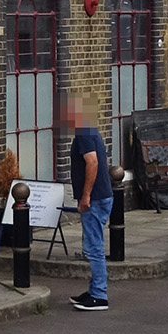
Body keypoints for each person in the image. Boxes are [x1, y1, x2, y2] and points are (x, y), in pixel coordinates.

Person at [63, 90, 114, 311]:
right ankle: (93, 290)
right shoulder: (90, 130)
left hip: (96, 198)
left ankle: (99, 295)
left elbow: (91, 163)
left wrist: (85, 196)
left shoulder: (84, 132)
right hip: (103, 195)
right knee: (92, 245)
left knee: (93, 248)